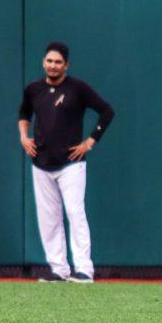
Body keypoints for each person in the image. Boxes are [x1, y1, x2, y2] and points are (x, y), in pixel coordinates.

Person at [18, 42, 115, 283]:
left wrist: (89, 142)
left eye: (58, 62)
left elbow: (106, 111)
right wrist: (23, 137)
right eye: (49, 61)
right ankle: (58, 269)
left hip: (71, 163)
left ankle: (84, 269)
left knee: (74, 213)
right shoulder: (33, 89)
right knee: (49, 219)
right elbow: (24, 113)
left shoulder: (77, 88)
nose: (53, 66)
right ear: (43, 62)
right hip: (41, 162)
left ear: (66, 65)